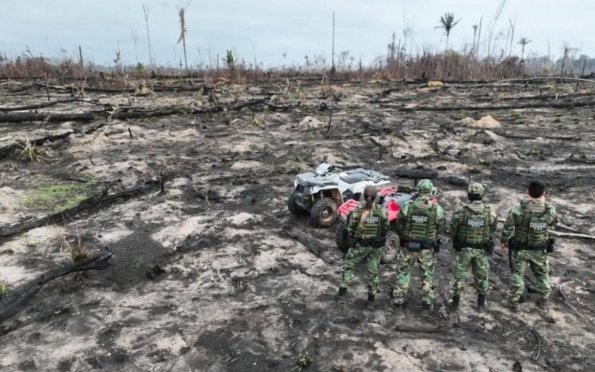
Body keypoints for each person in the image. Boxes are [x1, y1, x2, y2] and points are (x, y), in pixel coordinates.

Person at [501, 180, 558, 313]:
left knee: (517, 275)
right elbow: (554, 222)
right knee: (542, 276)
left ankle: (513, 302)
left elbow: (508, 226)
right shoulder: (550, 209)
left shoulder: (518, 208)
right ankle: (543, 302)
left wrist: (504, 241)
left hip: (520, 249)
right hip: (539, 249)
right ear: (544, 193)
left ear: (527, 192)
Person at [392, 179, 445, 315]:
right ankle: (427, 304)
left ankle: (398, 302)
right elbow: (440, 227)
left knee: (403, 273)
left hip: (409, 246)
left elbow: (399, 223)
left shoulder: (407, 206)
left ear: (419, 191)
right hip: (426, 248)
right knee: (427, 276)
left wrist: (406, 234)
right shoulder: (436, 209)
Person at [337, 185, 389, 310]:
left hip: (361, 245)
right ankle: (371, 300)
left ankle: (342, 295)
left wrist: (353, 241)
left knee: (348, 266)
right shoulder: (381, 211)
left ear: (364, 197)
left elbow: (349, 228)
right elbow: (386, 227)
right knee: (373, 272)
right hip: (376, 247)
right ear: (376, 197)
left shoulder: (358, 211)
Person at [449, 183, 498, 312]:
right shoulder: (489, 211)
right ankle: (481, 304)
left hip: (464, 249)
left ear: (469, 195)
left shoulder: (460, 211)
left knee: (459, 276)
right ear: (482, 195)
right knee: (482, 277)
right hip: (481, 250)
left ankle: (455, 304)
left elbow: (453, 228)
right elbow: (493, 227)